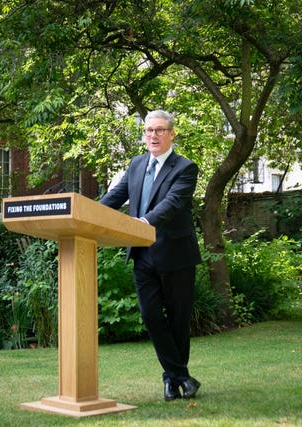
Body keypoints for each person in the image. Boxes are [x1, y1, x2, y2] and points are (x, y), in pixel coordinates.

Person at [100, 109, 202, 401]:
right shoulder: (135, 164)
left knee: (178, 321)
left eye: (159, 130)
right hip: (142, 255)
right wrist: (86, 212)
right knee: (150, 316)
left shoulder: (185, 168)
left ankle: (172, 383)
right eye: (148, 131)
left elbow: (172, 203)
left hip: (176, 256)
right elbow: (115, 198)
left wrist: (144, 223)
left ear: (171, 134)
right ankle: (182, 377)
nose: (153, 136)